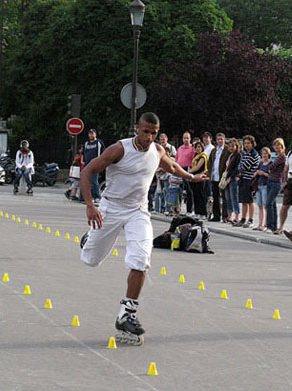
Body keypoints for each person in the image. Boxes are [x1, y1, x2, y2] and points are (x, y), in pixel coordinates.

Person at [79, 112, 207, 343]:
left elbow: (172, 167)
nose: (149, 137)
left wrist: (191, 176)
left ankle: (127, 312)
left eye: (153, 133)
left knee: (141, 259)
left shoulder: (157, 151)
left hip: (138, 211)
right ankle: (89, 238)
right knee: (90, 259)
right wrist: (90, 205)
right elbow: (87, 171)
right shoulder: (119, 149)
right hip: (110, 207)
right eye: (145, 132)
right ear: (137, 129)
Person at [234, 135, 260, 228]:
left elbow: (244, 167)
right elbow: (239, 165)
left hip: (249, 180)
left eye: (248, 143)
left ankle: (251, 220)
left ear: (252, 144)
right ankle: (243, 218)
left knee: (250, 201)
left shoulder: (253, 154)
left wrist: (240, 168)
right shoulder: (245, 153)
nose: (246, 145)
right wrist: (240, 168)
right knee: (243, 201)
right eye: (245, 143)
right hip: (243, 179)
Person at [276, 137, 292, 234]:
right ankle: (280, 227)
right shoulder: (291, 153)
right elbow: (285, 169)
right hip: (290, 181)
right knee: (285, 205)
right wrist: (284, 181)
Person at [264, 138, 286, 233]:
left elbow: (271, 167)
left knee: (268, 203)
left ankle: (270, 225)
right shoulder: (277, 157)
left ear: (282, 146)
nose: (277, 147)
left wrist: (270, 168)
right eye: (275, 145)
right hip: (270, 180)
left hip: (276, 182)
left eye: (279, 145)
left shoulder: (282, 157)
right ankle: (273, 226)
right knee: (272, 205)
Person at [207, 133, 230, 222]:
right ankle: (216, 215)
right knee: (215, 197)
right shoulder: (214, 150)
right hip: (214, 176)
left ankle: (225, 216)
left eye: (221, 139)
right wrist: (209, 174)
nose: (220, 141)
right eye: (218, 139)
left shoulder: (227, 150)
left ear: (224, 140)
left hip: (222, 177)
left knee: (224, 197)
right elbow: (210, 163)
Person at [80, 129, 105, 203]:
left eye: (92, 134)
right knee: (85, 181)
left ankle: (97, 196)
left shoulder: (99, 143)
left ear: (95, 134)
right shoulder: (86, 143)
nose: (91, 135)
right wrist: (83, 162)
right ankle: (85, 197)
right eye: (90, 134)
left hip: (95, 164)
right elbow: (84, 153)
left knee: (94, 181)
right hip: (87, 164)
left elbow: (103, 152)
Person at [175, 131, 195, 214]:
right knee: (178, 190)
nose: (186, 139)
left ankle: (189, 210)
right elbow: (176, 159)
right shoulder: (180, 148)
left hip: (188, 169)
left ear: (190, 139)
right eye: (184, 138)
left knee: (189, 191)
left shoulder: (192, 148)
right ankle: (177, 208)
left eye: (187, 138)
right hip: (180, 169)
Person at [252, 147, 272, 231]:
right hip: (258, 186)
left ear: (269, 154)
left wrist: (263, 173)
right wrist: (256, 173)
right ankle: (260, 224)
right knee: (260, 205)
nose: (264, 155)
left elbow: (271, 176)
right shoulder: (260, 164)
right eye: (263, 153)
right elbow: (254, 173)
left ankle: (266, 224)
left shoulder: (270, 164)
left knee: (266, 205)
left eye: (265, 153)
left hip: (265, 185)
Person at [189, 141, 208, 219]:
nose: (197, 148)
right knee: (195, 195)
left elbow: (197, 167)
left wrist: (187, 172)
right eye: (196, 147)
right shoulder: (196, 156)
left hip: (201, 177)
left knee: (201, 195)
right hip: (194, 177)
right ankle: (197, 212)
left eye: (199, 147)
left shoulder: (203, 156)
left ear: (202, 147)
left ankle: (203, 213)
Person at [224, 138, 241, 224]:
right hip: (227, 178)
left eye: (233, 146)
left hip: (233, 178)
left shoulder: (238, 155)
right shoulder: (230, 155)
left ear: (236, 146)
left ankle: (237, 216)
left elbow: (235, 168)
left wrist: (229, 175)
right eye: (229, 146)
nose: (231, 148)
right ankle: (229, 215)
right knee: (228, 198)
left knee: (234, 198)